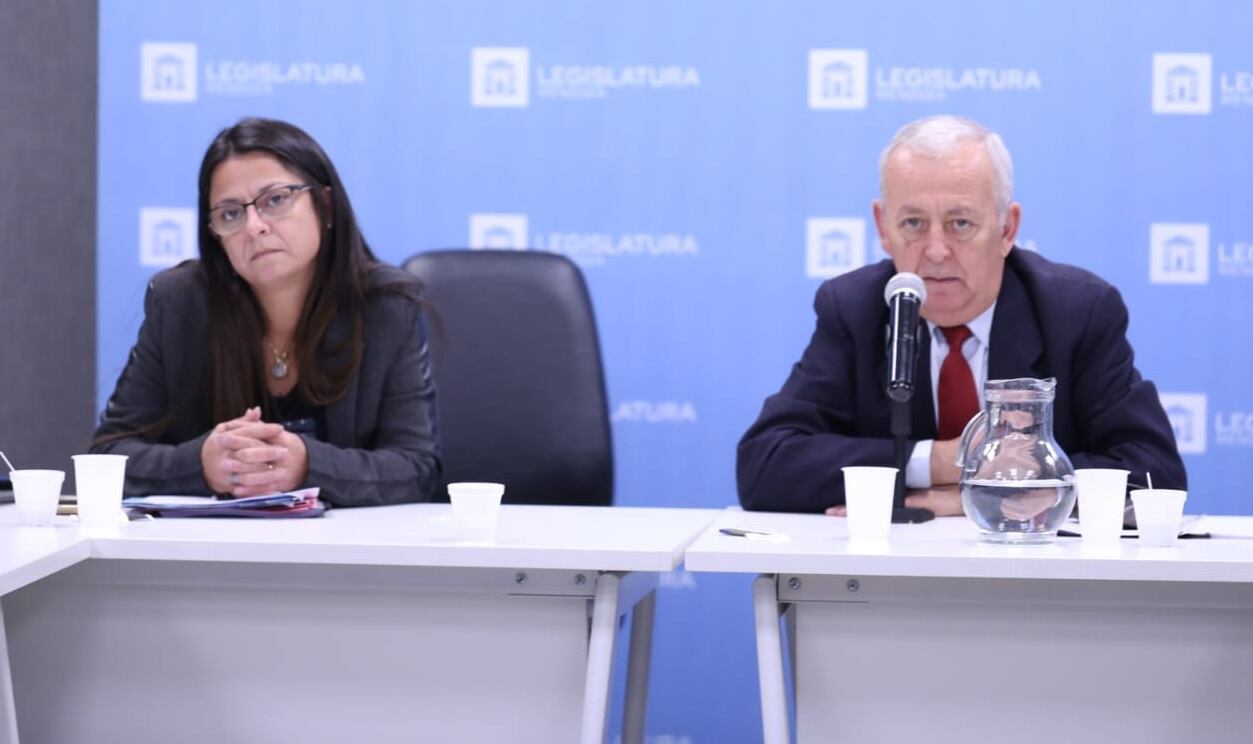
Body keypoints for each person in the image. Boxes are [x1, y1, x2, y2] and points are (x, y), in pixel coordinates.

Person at [737, 115, 1185, 516]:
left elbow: (1154, 476)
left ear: (1007, 229)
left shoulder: (1076, 312)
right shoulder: (855, 309)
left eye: (961, 224)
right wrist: (941, 461)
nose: (935, 251)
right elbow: (765, 467)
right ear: (882, 227)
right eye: (913, 223)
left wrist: (981, 496)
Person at [92, 117, 441, 507]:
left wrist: (308, 465)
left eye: (275, 200)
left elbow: (417, 470)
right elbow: (106, 460)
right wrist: (199, 465)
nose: (253, 227)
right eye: (230, 214)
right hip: (214, 558)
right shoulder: (181, 304)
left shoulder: (386, 307)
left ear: (324, 205)